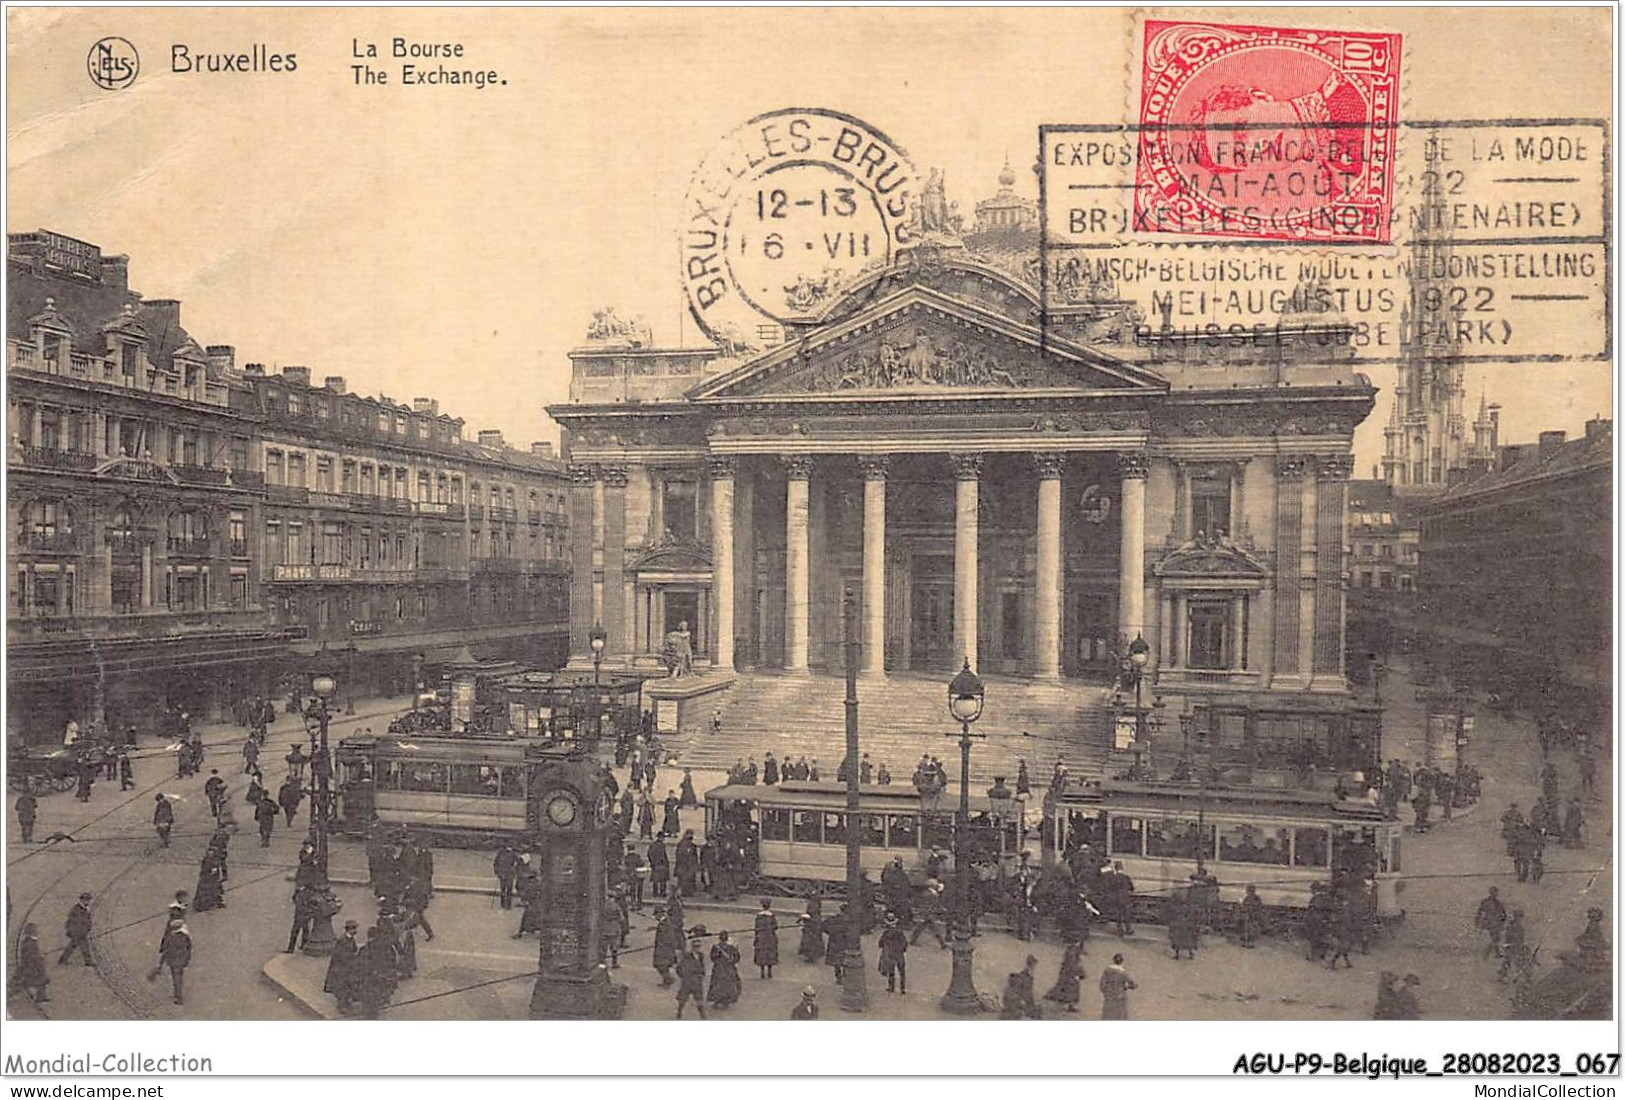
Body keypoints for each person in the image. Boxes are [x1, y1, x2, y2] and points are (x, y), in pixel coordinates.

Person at [357, 925, 399, 1019]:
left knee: (370, 996)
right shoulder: (387, 947)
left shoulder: (365, 949)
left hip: (370, 978)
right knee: (382, 991)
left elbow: (360, 965)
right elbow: (393, 960)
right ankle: (383, 1002)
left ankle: (370, 1012)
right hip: (384, 975)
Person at [325, 920, 362, 1015]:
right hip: (342, 969)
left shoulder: (350, 939)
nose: (355, 930)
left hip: (347, 968)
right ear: (349, 929)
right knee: (343, 987)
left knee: (347, 986)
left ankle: (346, 1003)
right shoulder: (343, 940)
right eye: (354, 928)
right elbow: (341, 955)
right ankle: (342, 1006)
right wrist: (354, 956)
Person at [1044, 939, 1085, 1012]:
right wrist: (1079, 973)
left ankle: (1064, 1002)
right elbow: (1075, 964)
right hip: (1071, 973)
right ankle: (1070, 1005)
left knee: (1065, 987)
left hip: (1066, 972)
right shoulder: (1073, 951)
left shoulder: (1071, 950)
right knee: (1072, 989)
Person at [158, 919, 192, 1006]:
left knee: (175, 978)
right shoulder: (184, 936)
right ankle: (177, 993)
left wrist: (160, 963)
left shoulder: (169, 938)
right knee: (179, 977)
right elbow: (189, 947)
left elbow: (165, 951)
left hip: (173, 960)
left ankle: (178, 996)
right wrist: (187, 959)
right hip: (182, 960)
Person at [13, 922, 49, 1003]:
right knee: (37, 979)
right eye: (35, 930)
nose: (37, 931)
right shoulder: (30, 943)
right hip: (32, 966)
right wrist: (40, 958)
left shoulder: (30, 941)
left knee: (42, 978)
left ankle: (41, 997)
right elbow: (31, 956)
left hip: (34, 965)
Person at [708, 930, 742, 1009]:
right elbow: (737, 958)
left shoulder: (716, 947)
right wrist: (731, 961)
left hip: (719, 968)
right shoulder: (731, 947)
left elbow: (712, 958)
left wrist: (718, 961)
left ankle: (717, 999)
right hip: (728, 968)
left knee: (717, 984)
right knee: (728, 984)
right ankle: (726, 1000)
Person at [1000, 954, 1042, 1019]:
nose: (1034, 967)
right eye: (1033, 965)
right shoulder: (1024, 977)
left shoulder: (1028, 976)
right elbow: (1022, 992)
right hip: (1017, 1005)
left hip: (1022, 1002)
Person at [675, 938, 708, 1019]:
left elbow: (702, 965)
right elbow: (679, 968)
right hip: (688, 981)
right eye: (696, 946)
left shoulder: (700, 955)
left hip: (697, 981)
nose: (697, 948)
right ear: (692, 947)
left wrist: (702, 974)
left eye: (699, 946)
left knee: (699, 1000)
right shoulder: (686, 956)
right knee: (683, 999)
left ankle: (703, 1016)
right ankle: (679, 1013)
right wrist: (684, 977)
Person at [59, 893, 94, 966]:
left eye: (88, 900)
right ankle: (63, 960)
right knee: (77, 946)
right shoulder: (77, 909)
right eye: (86, 900)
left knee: (79, 946)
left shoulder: (85, 908)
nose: (87, 902)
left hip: (81, 931)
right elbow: (77, 920)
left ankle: (63, 960)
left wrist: (87, 928)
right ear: (82, 900)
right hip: (77, 931)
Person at [878, 912, 909, 994]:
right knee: (902, 972)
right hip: (899, 953)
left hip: (890, 953)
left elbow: (880, 943)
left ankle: (891, 988)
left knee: (891, 971)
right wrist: (902, 949)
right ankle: (902, 989)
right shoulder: (900, 932)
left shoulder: (886, 933)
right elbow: (905, 943)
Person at [1100, 953, 1137, 1019]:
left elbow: (1102, 983)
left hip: (1109, 995)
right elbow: (1132, 984)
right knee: (1119, 1015)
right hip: (1120, 996)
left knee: (1108, 1013)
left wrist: (1105, 991)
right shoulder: (1123, 972)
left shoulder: (1107, 970)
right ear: (1121, 961)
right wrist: (1128, 987)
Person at [652, 908, 683, 987]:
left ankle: (667, 981)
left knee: (661, 965)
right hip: (665, 948)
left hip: (663, 948)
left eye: (655, 915)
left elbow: (666, 937)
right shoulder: (665, 921)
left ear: (660, 914)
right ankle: (667, 979)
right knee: (663, 965)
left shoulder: (664, 924)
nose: (654, 917)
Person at [1475, 887, 1507, 959]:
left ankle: (1494, 953)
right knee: (1494, 939)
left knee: (1495, 939)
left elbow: (1504, 914)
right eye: (1493, 893)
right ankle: (1491, 953)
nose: (1495, 894)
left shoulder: (1499, 903)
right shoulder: (1485, 902)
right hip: (1489, 924)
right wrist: (1478, 922)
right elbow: (1479, 912)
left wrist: (1502, 921)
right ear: (1490, 893)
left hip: (1496, 924)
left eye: (1496, 893)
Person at [1499, 910, 1530, 983]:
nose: (1519, 919)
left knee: (1521, 961)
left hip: (1518, 946)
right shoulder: (1511, 926)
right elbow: (1508, 937)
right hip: (1512, 946)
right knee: (1508, 961)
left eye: (1520, 917)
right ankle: (1503, 976)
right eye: (1518, 917)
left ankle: (1520, 977)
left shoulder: (1519, 926)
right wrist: (1508, 945)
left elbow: (1521, 938)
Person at [753, 898, 780, 979]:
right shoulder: (771, 916)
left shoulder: (759, 916)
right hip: (770, 937)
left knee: (761, 953)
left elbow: (756, 928)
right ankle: (769, 972)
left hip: (761, 937)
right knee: (769, 953)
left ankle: (762, 972)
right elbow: (775, 927)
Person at [798, 899, 825, 964]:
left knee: (811, 941)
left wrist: (803, 916)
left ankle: (811, 956)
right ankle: (810, 954)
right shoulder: (816, 908)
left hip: (812, 927)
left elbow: (810, 915)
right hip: (812, 926)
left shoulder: (814, 907)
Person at [1238, 884, 1264, 948]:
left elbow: (1246, 906)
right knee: (1248, 930)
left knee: (1250, 930)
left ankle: (1249, 943)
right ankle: (1247, 943)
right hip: (1250, 916)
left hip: (1252, 916)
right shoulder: (1252, 898)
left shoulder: (1252, 898)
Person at [674, 830, 700, 897]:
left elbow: (695, 856)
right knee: (684, 879)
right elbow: (679, 856)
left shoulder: (693, 846)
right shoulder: (681, 845)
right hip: (684, 866)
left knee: (689, 879)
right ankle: (684, 892)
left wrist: (695, 865)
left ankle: (689, 892)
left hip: (690, 866)